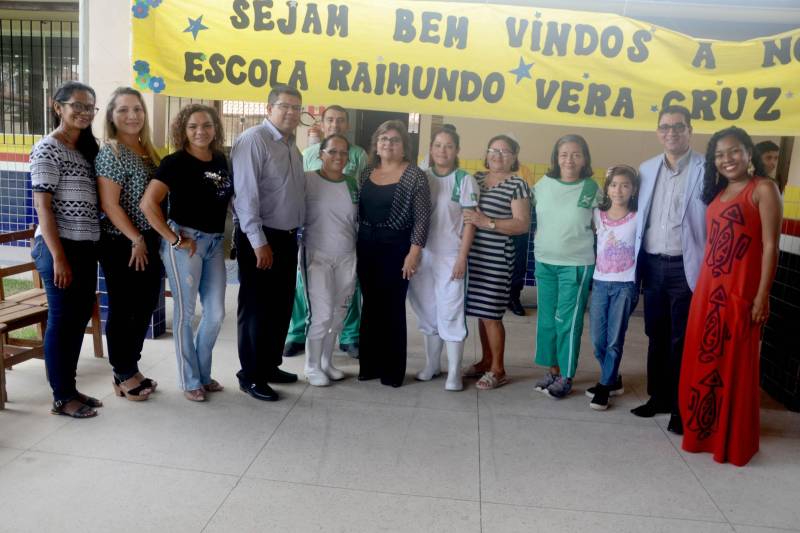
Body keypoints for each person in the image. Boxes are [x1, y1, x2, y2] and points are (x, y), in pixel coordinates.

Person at [679, 127, 781, 466]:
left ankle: (731, 440)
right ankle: (704, 434)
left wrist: (762, 296)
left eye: (734, 151)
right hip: (709, 291)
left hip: (740, 292)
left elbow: (770, 246)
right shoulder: (717, 192)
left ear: (748, 152)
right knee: (704, 361)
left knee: (734, 364)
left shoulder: (763, 189)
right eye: (719, 155)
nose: (727, 159)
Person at [140, 104, 232, 402]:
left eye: (206, 125)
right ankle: (190, 379)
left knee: (216, 313)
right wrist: (174, 239)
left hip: (215, 243)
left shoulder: (221, 160)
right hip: (186, 243)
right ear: (183, 130)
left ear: (215, 128)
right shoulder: (174, 162)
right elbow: (148, 205)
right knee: (185, 314)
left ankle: (203, 375)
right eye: (193, 126)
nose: (200, 131)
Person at [631, 105, 707, 435]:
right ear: (658, 131)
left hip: (685, 265)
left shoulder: (706, 169)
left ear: (690, 130)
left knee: (682, 338)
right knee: (656, 335)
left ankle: (680, 406)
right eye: (665, 127)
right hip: (652, 263)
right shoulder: (646, 169)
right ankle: (658, 398)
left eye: (678, 126)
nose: (671, 132)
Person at [30, 81, 102, 418]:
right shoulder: (48, 148)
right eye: (78, 105)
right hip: (59, 247)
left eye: (90, 107)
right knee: (63, 319)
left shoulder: (86, 149)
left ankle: (69, 388)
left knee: (78, 318)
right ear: (57, 107)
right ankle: (61, 396)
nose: (85, 112)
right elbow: (43, 207)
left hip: (85, 246)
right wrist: (58, 256)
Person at [231, 84, 305, 402]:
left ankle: (269, 365)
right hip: (259, 238)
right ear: (269, 108)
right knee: (256, 310)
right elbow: (246, 196)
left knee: (280, 307)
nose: (291, 112)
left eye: (296, 108)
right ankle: (250, 375)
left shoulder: (292, 146)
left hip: (287, 238)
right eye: (284, 106)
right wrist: (259, 242)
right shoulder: (253, 141)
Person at [284, 105, 368, 359]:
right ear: (322, 123)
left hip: (344, 237)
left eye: (341, 121)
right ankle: (297, 333)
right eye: (330, 120)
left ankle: (350, 335)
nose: (336, 125)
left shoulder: (360, 156)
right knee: (306, 290)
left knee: (347, 292)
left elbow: (361, 194)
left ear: (348, 125)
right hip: (315, 240)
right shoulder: (307, 154)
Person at [95, 87, 161, 402]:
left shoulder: (149, 151)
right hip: (122, 241)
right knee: (125, 308)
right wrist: (135, 238)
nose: (132, 115)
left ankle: (130, 366)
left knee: (146, 303)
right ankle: (122, 372)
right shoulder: (113, 151)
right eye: (123, 110)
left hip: (148, 239)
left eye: (137, 109)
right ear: (111, 116)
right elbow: (110, 204)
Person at [357, 120, 431, 388]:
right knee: (371, 306)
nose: (388, 144)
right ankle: (370, 365)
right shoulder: (366, 173)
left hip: (397, 248)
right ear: (376, 144)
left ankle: (391, 370)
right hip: (366, 246)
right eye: (383, 139)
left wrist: (413, 254)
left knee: (391, 308)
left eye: (395, 140)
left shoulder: (414, 175)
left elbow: (422, 220)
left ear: (404, 146)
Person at [408, 125, 478, 391]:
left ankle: (454, 374)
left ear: (457, 150)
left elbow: (470, 222)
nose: (442, 151)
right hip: (422, 254)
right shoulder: (422, 177)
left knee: (450, 311)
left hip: (451, 256)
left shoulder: (464, 180)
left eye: (448, 146)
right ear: (431, 149)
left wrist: (462, 258)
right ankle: (432, 365)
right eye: (438, 145)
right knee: (427, 311)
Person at [532, 135, 601, 399]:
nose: (569, 160)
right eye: (563, 154)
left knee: (568, 322)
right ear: (556, 158)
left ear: (584, 159)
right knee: (547, 320)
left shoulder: (591, 188)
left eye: (576, 154)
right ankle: (553, 369)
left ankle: (567, 375)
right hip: (544, 261)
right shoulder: (543, 185)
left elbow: (603, 226)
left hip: (576, 264)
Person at [463, 135, 531, 390]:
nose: (498, 155)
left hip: (498, 260)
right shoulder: (476, 179)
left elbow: (522, 224)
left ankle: (498, 369)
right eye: (493, 150)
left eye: (505, 151)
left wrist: (488, 223)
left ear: (514, 156)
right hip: (475, 258)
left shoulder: (517, 184)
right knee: (482, 313)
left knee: (492, 315)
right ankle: (485, 361)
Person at [301, 134, 359, 386]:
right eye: (332, 152)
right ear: (320, 154)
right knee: (321, 313)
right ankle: (312, 366)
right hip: (317, 255)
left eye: (343, 153)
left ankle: (326, 362)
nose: (338, 157)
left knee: (338, 314)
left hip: (347, 255)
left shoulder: (352, 183)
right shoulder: (308, 180)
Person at [586, 165, 640, 410]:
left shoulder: (639, 217)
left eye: (625, 185)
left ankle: (605, 387)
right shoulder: (597, 214)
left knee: (614, 339)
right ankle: (614, 378)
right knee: (598, 339)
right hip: (600, 283)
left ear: (634, 189)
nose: (619, 190)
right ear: (607, 188)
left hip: (625, 285)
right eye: (614, 184)